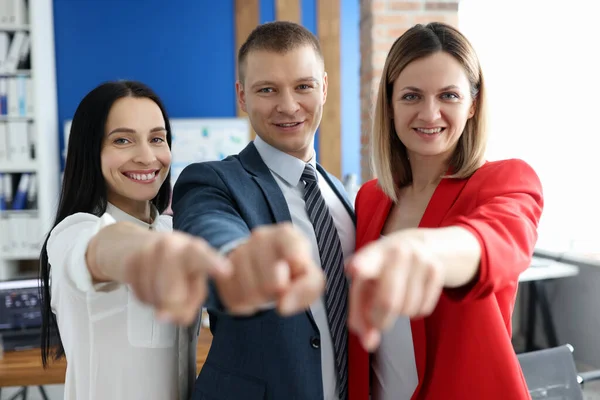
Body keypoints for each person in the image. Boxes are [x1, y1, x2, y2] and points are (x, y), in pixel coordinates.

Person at [345, 22, 543, 400]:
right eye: (411, 96)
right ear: (389, 104)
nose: (430, 113)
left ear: (473, 104)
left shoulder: (505, 181)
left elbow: (496, 241)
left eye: (449, 95)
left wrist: (425, 249)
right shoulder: (370, 198)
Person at [172, 21, 355, 400]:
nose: (288, 106)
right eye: (267, 89)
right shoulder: (212, 181)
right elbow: (210, 231)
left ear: (324, 87)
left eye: (303, 86)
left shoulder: (341, 195)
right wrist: (238, 261)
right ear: (242, 96)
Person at [39, 80, 231, 400]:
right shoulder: (73, 232)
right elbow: (104, 248)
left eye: (157, 138)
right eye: (123, 140)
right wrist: (153, 252)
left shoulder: (174, 230)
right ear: (91, 151)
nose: (146, 157)